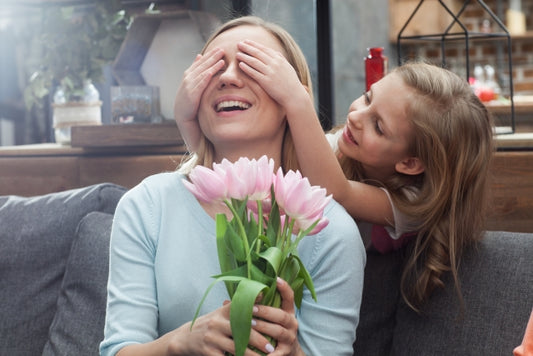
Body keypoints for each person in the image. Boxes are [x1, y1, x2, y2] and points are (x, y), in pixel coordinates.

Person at [100, 16, 365, 356]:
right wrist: (179, 343)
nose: (227, 77)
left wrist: (294, 352)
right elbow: (117, 350)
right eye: (213, 67)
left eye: (253, 65)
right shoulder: (148, 206)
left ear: (293, 100)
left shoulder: (330, 230)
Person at [176, 41, 494, 312]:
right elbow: (225, 166)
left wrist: (297, 100)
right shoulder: (338, 149)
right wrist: (186, 118)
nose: (355, 116)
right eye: (368, 97)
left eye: (378, 126)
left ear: (410, 163)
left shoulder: (411, 204)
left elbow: (334, 192)